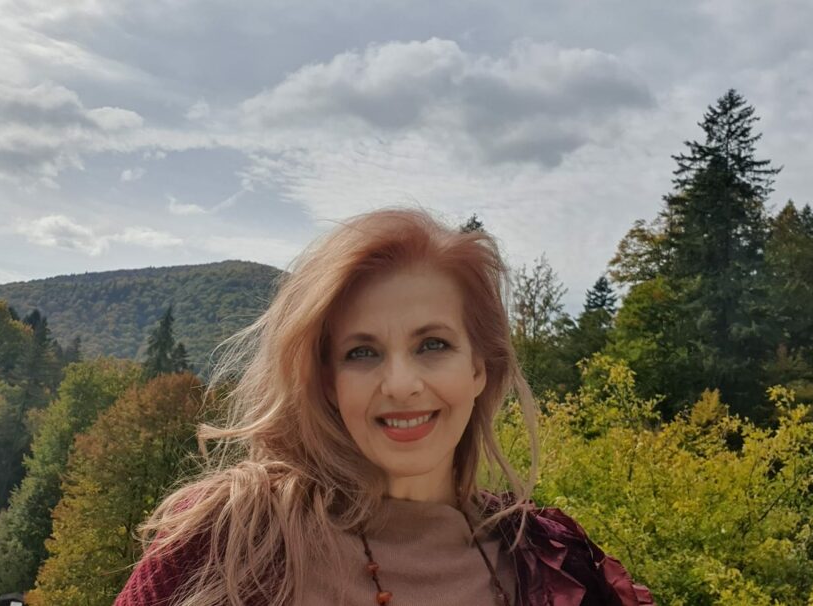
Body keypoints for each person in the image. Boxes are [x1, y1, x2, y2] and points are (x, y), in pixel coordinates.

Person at [115, 208, 654, 606]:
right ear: (328, 382)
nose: (400, 385)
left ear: (479, 368)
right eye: (362, 352)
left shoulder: (557, 565)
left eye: (433, 344)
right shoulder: (231, 539)